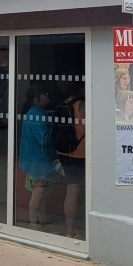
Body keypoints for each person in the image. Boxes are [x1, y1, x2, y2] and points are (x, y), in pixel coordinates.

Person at [17, 83, 56, 229]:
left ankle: (42, 219)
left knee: (43, 192)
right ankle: (34, 222)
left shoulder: (34, 112)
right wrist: (54, 127)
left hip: (35, 161)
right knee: (38, 193)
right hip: (38, 162)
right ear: (36, 98)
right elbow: (43, 139)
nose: (47, 96)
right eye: (44, 94)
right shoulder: (37, 115)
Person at [55, 86, 86, 239]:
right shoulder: (82, 105)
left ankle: (70, 230)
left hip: (65, 153)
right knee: (83, 192)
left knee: (71, 192)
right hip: (82, 154)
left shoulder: (63, 105)